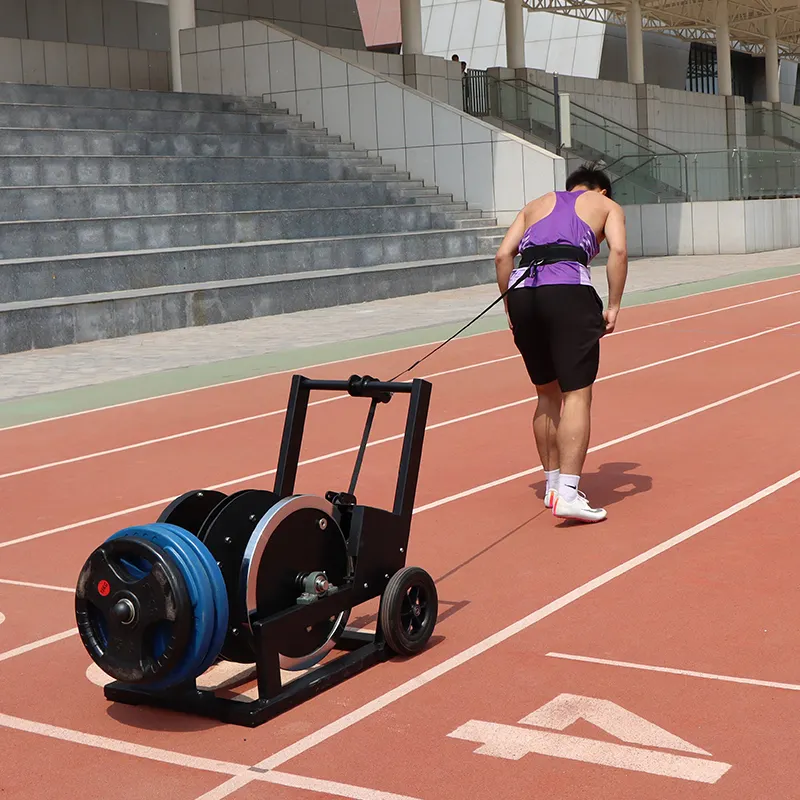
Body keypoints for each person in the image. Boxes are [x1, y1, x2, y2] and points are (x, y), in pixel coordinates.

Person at [493, 163, 628, 523]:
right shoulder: (607, 206)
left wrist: (509, 304)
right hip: (569, 292)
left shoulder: (535, 204)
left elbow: (503, 255)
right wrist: (613, 304)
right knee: (577, 393)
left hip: (524, 292)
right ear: (600, 191)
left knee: (545, 393)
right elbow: (618, 252)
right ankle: (568, 493)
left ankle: (552, 485)